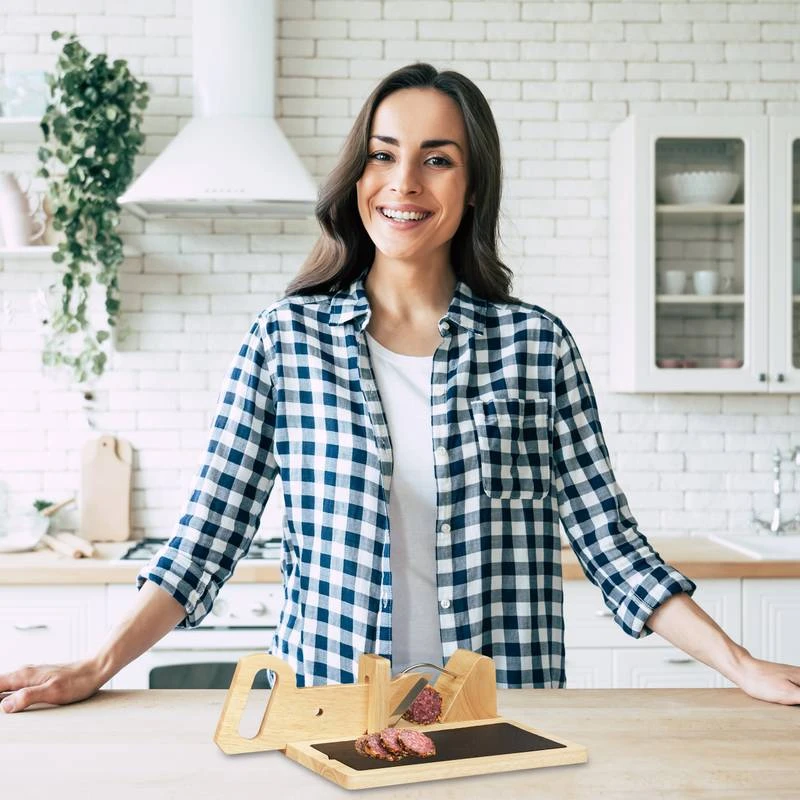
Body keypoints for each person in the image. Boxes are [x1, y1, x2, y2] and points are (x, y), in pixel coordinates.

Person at [2, 62, 798, 713]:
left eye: (437, 158)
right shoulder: (286, 340)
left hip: (501, 714)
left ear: (473, 185)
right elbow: (205, 541)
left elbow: (613, 549)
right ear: (357, 178)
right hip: (333, 713)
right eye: (383, 154)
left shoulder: (536, 347)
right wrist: (93, 666)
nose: (404, 180)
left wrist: (743, 665)